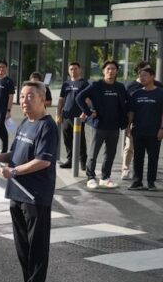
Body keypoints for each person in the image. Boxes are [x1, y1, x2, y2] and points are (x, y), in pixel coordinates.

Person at [0, 81, 57, 282]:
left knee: (37, 246)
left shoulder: (47, 126)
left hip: (35, 196)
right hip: (17, 194)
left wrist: (12, 171)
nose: (24, 101)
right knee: (23, 244)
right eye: (22, 96)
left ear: (43, 99)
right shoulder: (26, 123)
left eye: (30, 96)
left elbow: (43, 161)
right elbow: (16, 153)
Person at [76, 60, 128, 190]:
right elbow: (79, 98)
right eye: (108, 69)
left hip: (114, 126)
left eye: (113, 69)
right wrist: (88, 112)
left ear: (117, 71)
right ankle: (91, 178)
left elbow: (128, 102)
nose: (111, 71)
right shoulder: (96, 85)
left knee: (110, 154)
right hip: (99, 125)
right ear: (104, 71)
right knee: (93, 153)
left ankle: (105, 178)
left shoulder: (120, 87)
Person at [121, 62, 163, 181]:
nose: (142, 77)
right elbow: (130, 109)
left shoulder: (160, 89)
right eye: (141, 74)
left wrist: (162, 128)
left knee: (153, 157)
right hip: (137, 128)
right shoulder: (134, 89)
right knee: (133, 152)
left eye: (145, 74)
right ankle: (132, 176)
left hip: (154, 129)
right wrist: (128, 125)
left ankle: (151, 181)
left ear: (152, 76)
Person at [56, 62, 89, 169]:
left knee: (80, 140)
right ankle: (70, 160)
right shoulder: (66, 84)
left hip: (78, 118)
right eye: (71, 69)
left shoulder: (84, 83)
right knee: (67, 139)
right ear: (68, 71)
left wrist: (84, 113)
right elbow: (61, 100)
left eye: (75, 69)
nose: (73, 71)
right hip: (66, 116)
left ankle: (83, 162)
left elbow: (88, 100)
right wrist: (58, 114)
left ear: (79, 70)